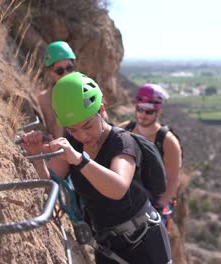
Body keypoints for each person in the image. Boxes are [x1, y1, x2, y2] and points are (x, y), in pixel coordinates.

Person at [22, 72, 172, 264]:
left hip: (145, 243)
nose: (83, 136)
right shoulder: (72, 144)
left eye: (88, 125)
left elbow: (118, 187)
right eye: (73, 130)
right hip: (108, 247)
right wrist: (36, 157)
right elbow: (48, 188)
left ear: (101, 110)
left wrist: (79, 160)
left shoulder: (121, 142)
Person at [118, 84, 182, 226]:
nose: (142, 115)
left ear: (157, 112)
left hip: (155, 198)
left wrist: (158, 207)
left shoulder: (168, 141)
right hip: (129, 191)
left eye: (149, 112)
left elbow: (173, 181)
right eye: (140, 109)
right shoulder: (125, 129)